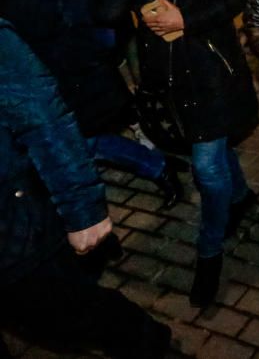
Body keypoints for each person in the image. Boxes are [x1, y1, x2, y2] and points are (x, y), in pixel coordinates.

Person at [85, 0, 259, 307]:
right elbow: (104, 10)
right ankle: (240, 197)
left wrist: (189, 17)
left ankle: (209, 251)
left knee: (206, 166)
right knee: (214, 152)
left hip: (210, 65)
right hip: (164, 74)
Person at [0, 0, 182, 206]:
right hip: (24, 78)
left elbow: (91, 24)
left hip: (62, 77)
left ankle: (155, 167)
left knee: (75, 145)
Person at [0, 20, 172, 359]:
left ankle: (147, 341)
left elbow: (43, 116)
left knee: (64, 312)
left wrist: (83, 209)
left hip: (12, 227)